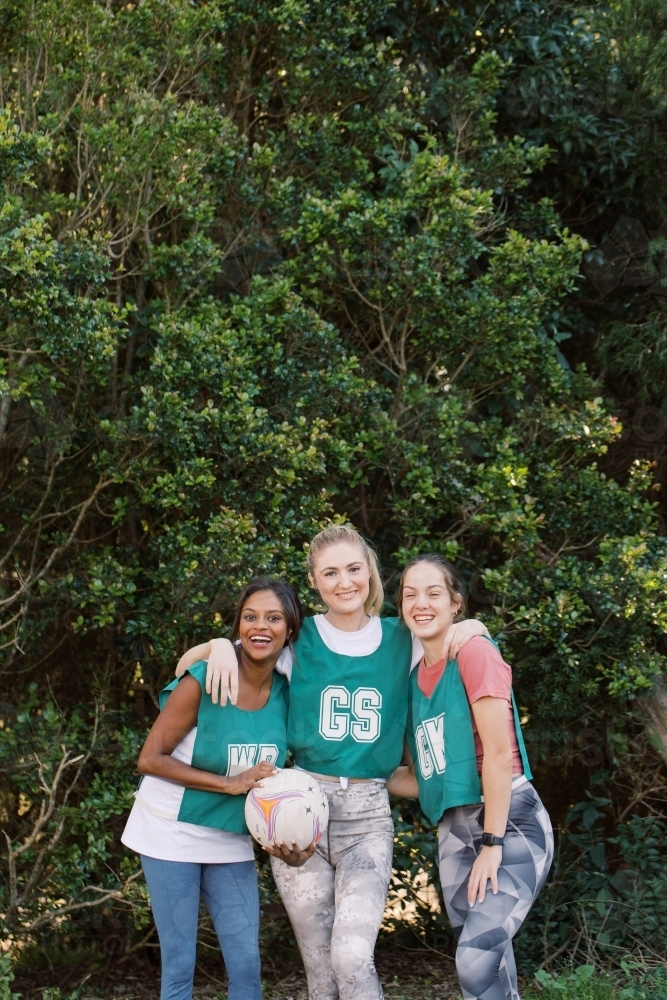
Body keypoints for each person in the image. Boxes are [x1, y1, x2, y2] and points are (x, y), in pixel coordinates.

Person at [175, 525, 491, 1000]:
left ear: (370, 571)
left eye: (353, 569)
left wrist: (471, 627)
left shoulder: (400, 637)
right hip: (300, 809)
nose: (344, 582)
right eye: (330, 573)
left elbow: (454, 636)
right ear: (315, 581)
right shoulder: (298, 640)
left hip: (366, 815)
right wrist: (220, 645)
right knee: (319, 972)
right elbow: (185, 670)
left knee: (350, 955)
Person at [122, 578, 312, 1000]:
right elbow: (150, 758)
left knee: (246, 963)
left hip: (229, 835)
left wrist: (292, 834)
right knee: (179, 965)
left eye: (273, 618)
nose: (260, 627)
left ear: (290, 629)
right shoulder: (206, 677)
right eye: (250, 617)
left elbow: (281, 783)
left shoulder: (289, 689)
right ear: (237, 626)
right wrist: (229, 783)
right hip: (170, 830)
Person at [387, 554, 554, 1000]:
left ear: (456, 603)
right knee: (489, 974)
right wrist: (352, 777)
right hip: (454, 830)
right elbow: (425, 778)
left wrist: (492, 844)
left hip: (508, 820)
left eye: (433, 592)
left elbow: (499, 755)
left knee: (475, 961)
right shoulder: (410, 679)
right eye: (410, 594)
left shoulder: (474, 652)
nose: (421, 603)